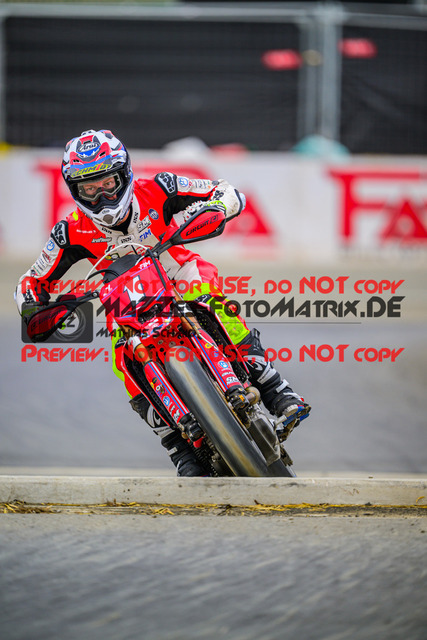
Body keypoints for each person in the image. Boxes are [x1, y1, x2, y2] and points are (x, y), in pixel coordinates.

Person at [15, 129, 310, 476]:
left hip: (176, 270)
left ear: (124, 174)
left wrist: (216, 208)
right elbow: (31, 280)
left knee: (210, 298)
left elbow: (225, 192)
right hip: (123, 296)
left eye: (107, 183)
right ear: (74, 190)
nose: (102, 196)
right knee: (121, 357)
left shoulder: (160, 187)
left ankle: (275, 388)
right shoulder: (69, 231)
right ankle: (178, 447)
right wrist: (33, 307)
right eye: (89, 189)